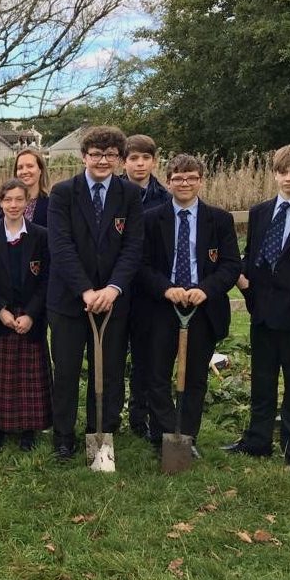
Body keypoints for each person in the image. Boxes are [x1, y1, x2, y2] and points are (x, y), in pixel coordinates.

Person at [46, 126, 144, 461]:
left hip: (113, 302)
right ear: (84, 156)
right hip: (70, 301)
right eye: (96, 154)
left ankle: (101, 435)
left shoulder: (129, 195)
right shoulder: (63, 193)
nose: (103, 160)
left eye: (110, 155)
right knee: (67, 371)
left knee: (110, 371)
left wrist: (113, 289)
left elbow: (133, 247)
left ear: (119, 158)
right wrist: (86, 290)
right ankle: (63, 437)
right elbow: (60, 247)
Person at [140, 155, 241, 458]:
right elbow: (141, 265)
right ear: (168, 181)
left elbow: (231, 265)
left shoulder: (219, 219)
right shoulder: (151, 219)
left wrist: (205, 290)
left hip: (202, 308)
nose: (184, 183)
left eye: (191, 178)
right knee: (156, 375)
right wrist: (166, 289)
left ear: (200, 180)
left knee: (195, 376)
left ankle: (188, 436)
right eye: (178, 178)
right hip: (162, 307)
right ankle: (165, 434)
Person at [225, 143, 290, 473]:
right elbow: (252, 256)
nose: (288, 178)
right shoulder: (260, 212)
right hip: (262, 310)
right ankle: (257, 439)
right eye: (282, 172)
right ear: (274, 174)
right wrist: (244, 283)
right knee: (262, 378)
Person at [0, 179, 52, 451]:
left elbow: (46, 280)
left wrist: (30, 313)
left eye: (20, 199)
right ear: (1, 202)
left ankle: (28, 428)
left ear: (27, 201)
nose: (14, 205)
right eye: (8, 200)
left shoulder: (41, 235)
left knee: (28, 378)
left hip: (31, 317)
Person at [121, 135, 172, 440]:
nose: (139, 164)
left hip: (149, 289)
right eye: (133, 158)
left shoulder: (164, 198)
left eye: (145, 158)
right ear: (124, 161)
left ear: (154, 161)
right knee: (114, 355)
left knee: (146, 357)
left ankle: (142, 416)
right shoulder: (113, 192)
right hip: (117, 286)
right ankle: (111, 414)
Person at [0, 149, 51, 227]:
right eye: (20, 168)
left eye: (30, 166)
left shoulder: (51, 204)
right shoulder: (2, 203)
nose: (24, 171)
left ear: (40, 170)